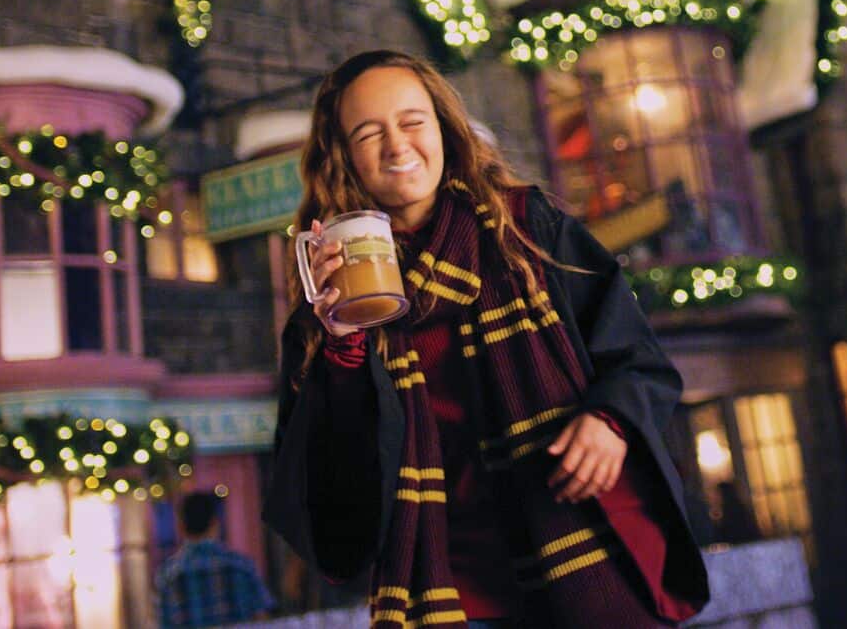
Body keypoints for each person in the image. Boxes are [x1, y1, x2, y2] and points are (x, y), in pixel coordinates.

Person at [263, 49, 708, 628]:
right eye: (369, 133)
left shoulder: (528, 231)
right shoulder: (327, 300)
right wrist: (340, 342)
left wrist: (609, 422)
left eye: (412, 122)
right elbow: (333, 486)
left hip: (585, 567)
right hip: (450, 599)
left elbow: (639, 360)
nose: (397, 146)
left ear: (443, 128)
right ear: (343, 155)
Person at [155, 491, 275, 628]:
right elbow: (263, 620)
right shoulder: (242, 566)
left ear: (180, 527)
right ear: (215, 523)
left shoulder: (167, 575)